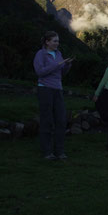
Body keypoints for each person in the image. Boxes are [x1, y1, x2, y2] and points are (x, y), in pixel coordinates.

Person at [33, 31, 74, 160]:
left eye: (58, 41)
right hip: (45, 89)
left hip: (58, 89)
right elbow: (40, 72)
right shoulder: (41, 54)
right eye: (54, 41)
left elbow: (61, 74)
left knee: (61, 120)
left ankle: (59, 151)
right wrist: (58, 64)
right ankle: (47, 152)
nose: (57, 43)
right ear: (47, 42)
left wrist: (67, 65)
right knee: (47, 120)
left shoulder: (58, 54)